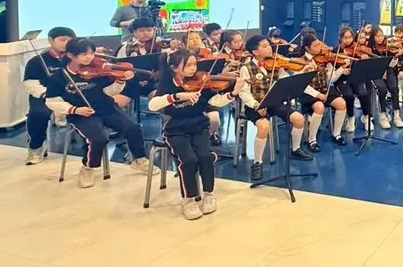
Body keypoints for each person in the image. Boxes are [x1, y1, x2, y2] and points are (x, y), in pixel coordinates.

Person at [44, 37, 149, 187]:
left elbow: (109, 92)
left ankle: (139, 160)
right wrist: (75, 109)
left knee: (133, 127)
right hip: (81, 113)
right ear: (71, 55)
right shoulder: (59, 77)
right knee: (98, 138)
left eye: (92, 53)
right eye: (84, 54)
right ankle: (88, 168)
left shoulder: (98, 71)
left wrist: (120, 81)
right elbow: (51, 101)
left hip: (106, 107)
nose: (89, 57)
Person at [148, 50, 233, 219]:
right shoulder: (167, 85)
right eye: (188, 65)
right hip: (175, 129)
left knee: (205, 157)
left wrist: (232, 94)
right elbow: (153, 105)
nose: (193, 68)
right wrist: (176, 96)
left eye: (194, 64)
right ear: (174, 68)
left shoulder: (201, 81)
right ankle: (188, 200)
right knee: (188, 160)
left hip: (199, 125)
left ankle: (209, 194)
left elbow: (214, 102)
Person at [235, 34, 309, 181]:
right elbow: (244, 93)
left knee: (299, 119)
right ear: (255, 52)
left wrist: (301, 71)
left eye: (269, 45)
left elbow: (286, 80)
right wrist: (256, 105)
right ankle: (257, 162)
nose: (269, 48)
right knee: (264, 126)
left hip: (274, 102)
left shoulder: (275, 63)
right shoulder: (246, 68)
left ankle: (295, 149)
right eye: (265, 46)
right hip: (254, 105)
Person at [22, 26, 76, 165]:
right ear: (50, 40)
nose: (66, 43)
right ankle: (36, 147)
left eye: (70, 40)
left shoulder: (75, 59)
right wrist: (45, 93)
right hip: (45, 94)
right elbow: (30, 83)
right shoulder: (37, 61)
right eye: (62, 40)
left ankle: (91, 147)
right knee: (38, 113)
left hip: (71, 93)